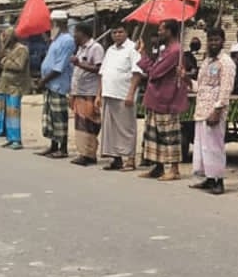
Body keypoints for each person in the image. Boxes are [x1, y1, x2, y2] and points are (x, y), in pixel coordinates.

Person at [138, 20, 189, 182]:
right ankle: (158, 166)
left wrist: (143, 56)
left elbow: (155, 72)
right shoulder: (166, 50)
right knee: (155, 135)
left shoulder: (175, 51)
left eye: (161, 29)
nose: (158, 32)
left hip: (167, 98)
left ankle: (174, 169)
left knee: (169, 135)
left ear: (169, 31)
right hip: (156, 97)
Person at [190, 28, 236, 195]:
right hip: (202, 108)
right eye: (211, 40)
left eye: (216, 40)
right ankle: (209, 178)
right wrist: (186, 79)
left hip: (215, 110)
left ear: (223, 41)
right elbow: (200, 85)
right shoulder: (207, 61)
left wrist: (217, 109)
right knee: (203, 147)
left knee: (215, 147)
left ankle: (219, 180)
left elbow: (226, 88)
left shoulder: (226, 62)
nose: (213, 43)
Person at [97, 23, 139, 172]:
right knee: (111, 129)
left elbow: (137, 72)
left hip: (124, 94)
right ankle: (116, 159)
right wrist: (99, 94)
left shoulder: (133, 48)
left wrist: (131, 93)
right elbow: (103, 72)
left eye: (120, 32)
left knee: (126, 129)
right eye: (114, 32)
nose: (117, 35)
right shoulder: (110, 50)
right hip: (109, 93)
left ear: (126, 33)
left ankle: (130, 159)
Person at [37, 11, 76, 158]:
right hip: (49, 84)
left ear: (57, 23)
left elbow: (60, 66)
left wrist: (44, 80)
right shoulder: (56, 39)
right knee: (50, 117)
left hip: (58, 84)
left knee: (59, 116)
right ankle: (53, 145)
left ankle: (63, 148)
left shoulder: (67, 40)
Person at [68, 22, 105, 166]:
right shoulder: (81, 49)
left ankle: (90, 154)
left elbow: (98, 69)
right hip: (79, 91)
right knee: (81, 124)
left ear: (82, 33)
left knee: (90, 124)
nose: (74, 36)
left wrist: (78, 64)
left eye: (75, 32)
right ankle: (84, 153)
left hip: (89, 92)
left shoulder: (95, 48)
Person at [0, 29, 29, 150]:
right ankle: (9, 137)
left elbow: (19, 66)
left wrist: (6, 61)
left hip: (15, 86)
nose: (4, 40)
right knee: (6, 112)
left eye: (5, 37)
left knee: (14, 112)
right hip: (5, 86)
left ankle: (17, 140)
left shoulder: (22, 49)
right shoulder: (8, 50)